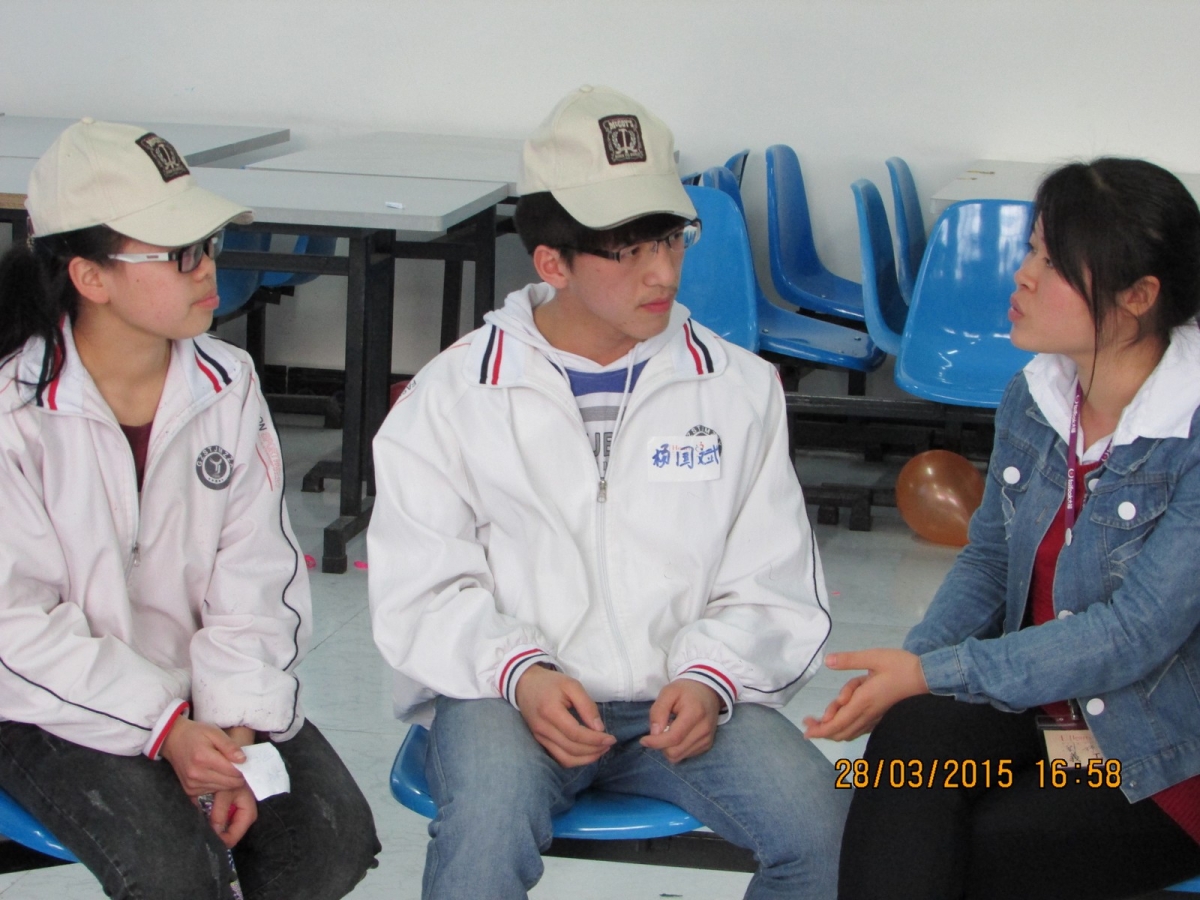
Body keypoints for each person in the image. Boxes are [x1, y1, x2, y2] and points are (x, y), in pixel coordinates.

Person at [368, 85, 848, 899]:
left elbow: (771, 581)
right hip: (505, 698)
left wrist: (711, 677)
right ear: (551, 263)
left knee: (831, 832)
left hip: (683, 701)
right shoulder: (453, 396)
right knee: (485, 828)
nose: (663, 272)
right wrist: (519, 670)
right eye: (628, 251)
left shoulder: (737, 389)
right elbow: (419, 588)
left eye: (671, 238)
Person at [0, 119, 379, 900]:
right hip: (43, 703)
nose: (209, 268)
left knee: (325, 845)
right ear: (90, 276)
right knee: (175, 873)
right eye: (179, 254)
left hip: (199, 690)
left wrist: (235, 725)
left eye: (207, 244)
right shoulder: (15, 409)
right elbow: (15, 626)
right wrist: (165, 728)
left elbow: (257, 578)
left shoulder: (227, 384)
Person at [804, 157, 1200, 899]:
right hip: (1042, 717)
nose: (1022, 276)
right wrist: (910, 671)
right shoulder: (1036, 395)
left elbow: (1135, 633)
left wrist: (934, 674)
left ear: (1139, 296)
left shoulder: (1191, 430)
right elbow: (989, 560)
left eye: (1052, 263)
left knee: (958, 843)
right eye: (1031, 251)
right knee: (908, 745)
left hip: (1159, 756)